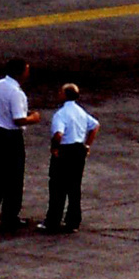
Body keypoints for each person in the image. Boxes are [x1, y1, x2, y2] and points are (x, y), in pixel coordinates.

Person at [0, 57, 39, 232]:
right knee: (14, 178)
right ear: (20, 72)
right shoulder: (16, 93)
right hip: (11, 137)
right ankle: (10, 216)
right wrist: (33, 118)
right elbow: (18, 119)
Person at [39, 84, 99, 234]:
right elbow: (95, 125)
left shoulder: (61, 114)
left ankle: (53, 220)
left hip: (65, 150)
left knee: (57, 186)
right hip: (78, 150)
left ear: (65, 95)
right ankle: (73, 222)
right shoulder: (80, 112)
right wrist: (87, 145)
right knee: (74, 186)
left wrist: (55, 147)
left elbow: (58, 134)